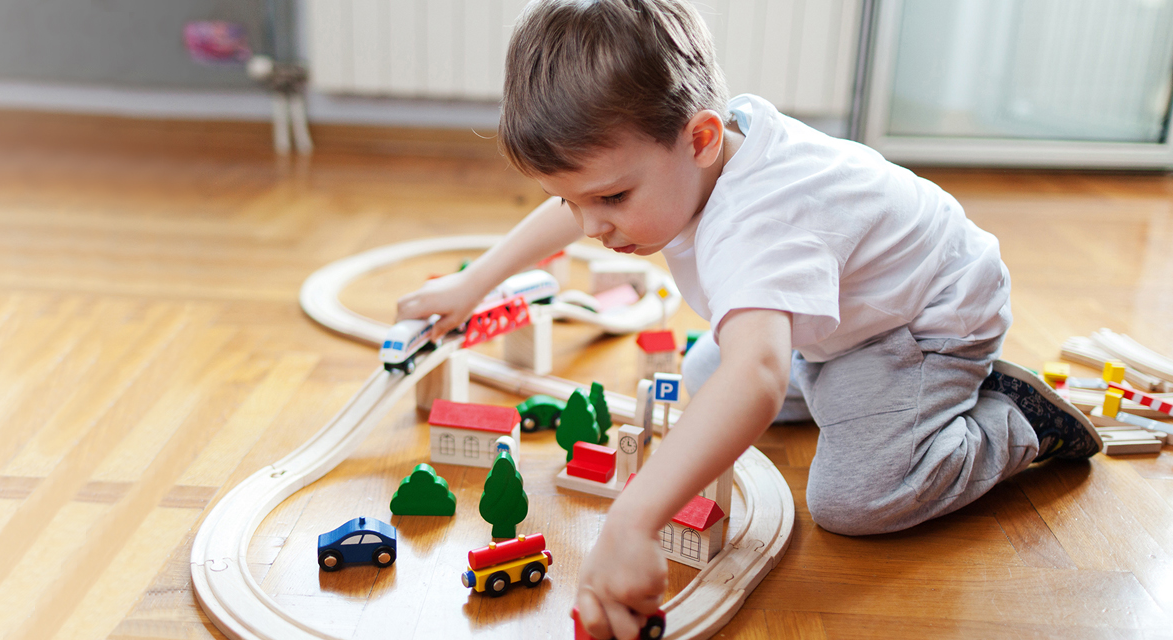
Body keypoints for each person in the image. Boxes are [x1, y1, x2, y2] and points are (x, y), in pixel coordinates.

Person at [393, 1, 1101, 638]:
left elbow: (759, 377)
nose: (590, 227)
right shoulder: (691, 151)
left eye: (610, 198)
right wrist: (477, 283)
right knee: (707, 373)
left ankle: (1014, 422)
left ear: (701, 139)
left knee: (853, 501)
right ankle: (852, 392)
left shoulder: (761, 221)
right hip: (846, 318)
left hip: (923, 322)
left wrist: (635, 517)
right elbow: (574, 205)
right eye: (574, 201)